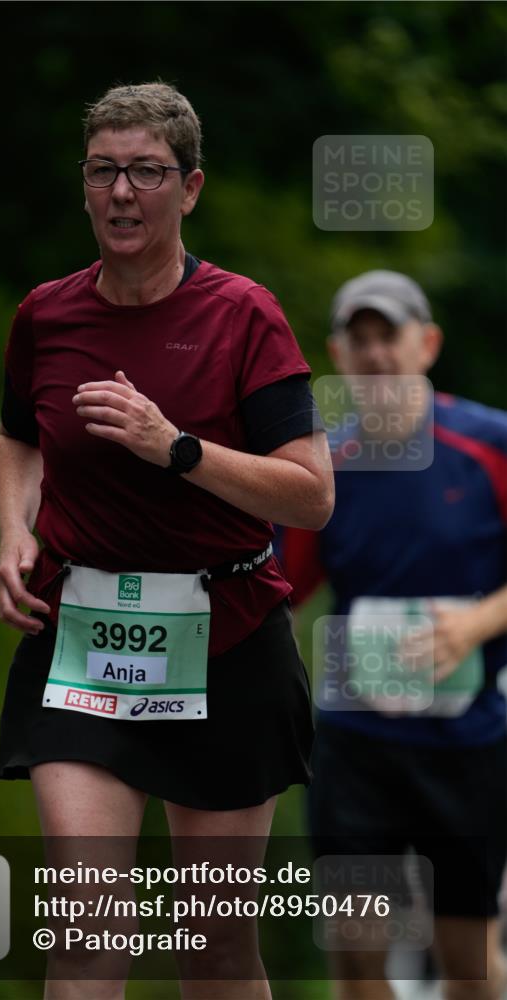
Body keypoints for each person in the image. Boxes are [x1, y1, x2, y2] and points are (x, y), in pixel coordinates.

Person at [0, 82, 334, 1000]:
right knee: (88, 933)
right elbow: (19, 436)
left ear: (189, 188)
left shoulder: (243, 315)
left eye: (146, 172)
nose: (121, 193)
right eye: (103, 171)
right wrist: (11, 533)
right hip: (83, 638)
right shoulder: (47, 315)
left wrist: (174, 448)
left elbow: (309, 497)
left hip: (225, 640)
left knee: (213, 949)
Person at [281, 270, 507, 1000]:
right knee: (354, 957)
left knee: (465, 960)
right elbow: (277, 595)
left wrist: (474, 623)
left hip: (464, 742)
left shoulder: (489, 445)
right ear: (337, 354)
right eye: (360, 339)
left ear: (427, 343)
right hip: (355, 746)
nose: (375, 354)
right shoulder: (326, 469)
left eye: (390, 336)